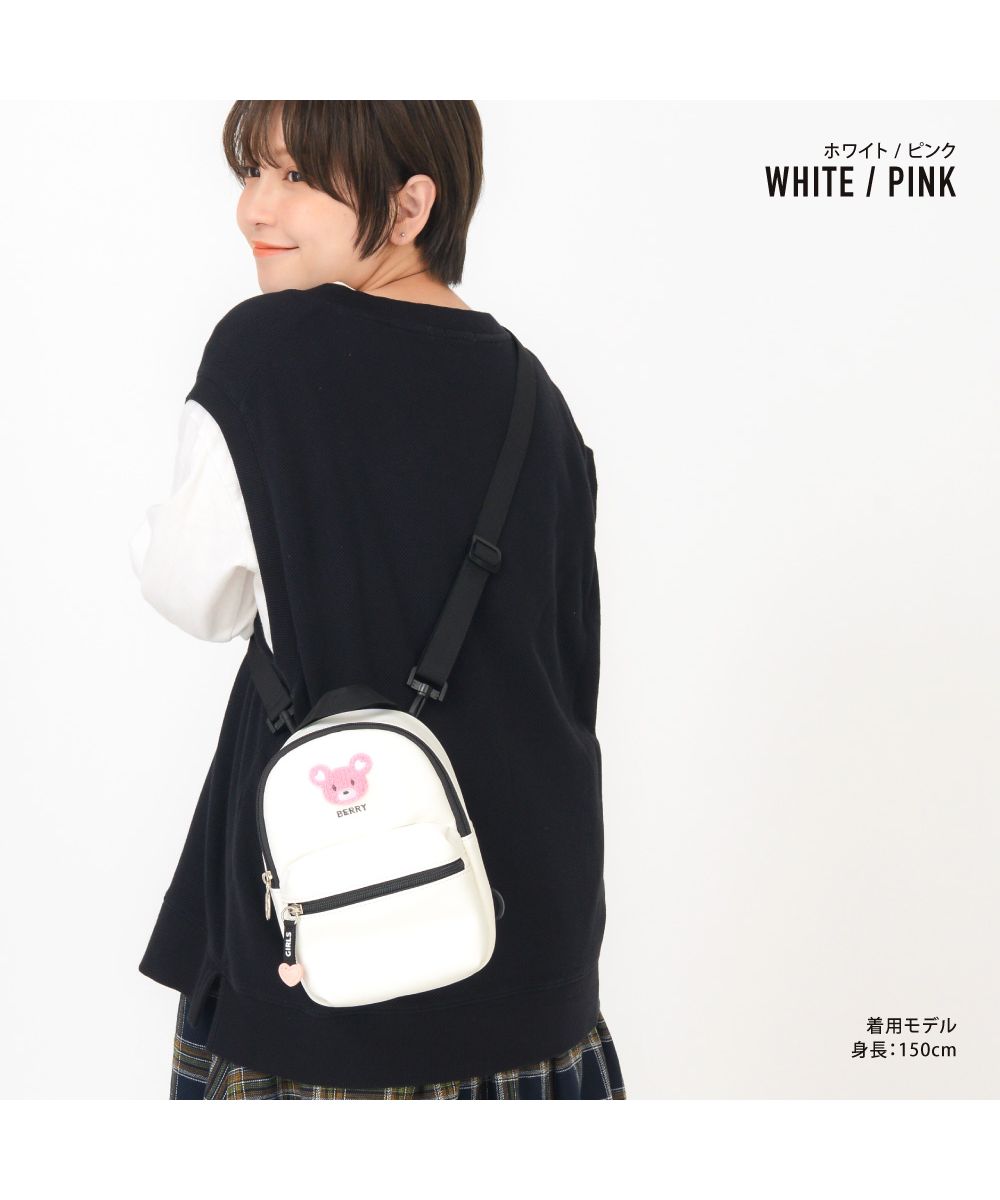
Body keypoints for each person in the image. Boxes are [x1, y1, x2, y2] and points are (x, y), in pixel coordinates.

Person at [131, 100, 625, 1100]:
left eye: (296, 177)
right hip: (534, 974)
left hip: (328, 977)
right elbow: (570, 673)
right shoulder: (538, 400)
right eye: (251, 172)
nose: (255, 209)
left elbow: (197, 593)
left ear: (409, 206)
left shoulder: (267, 353)